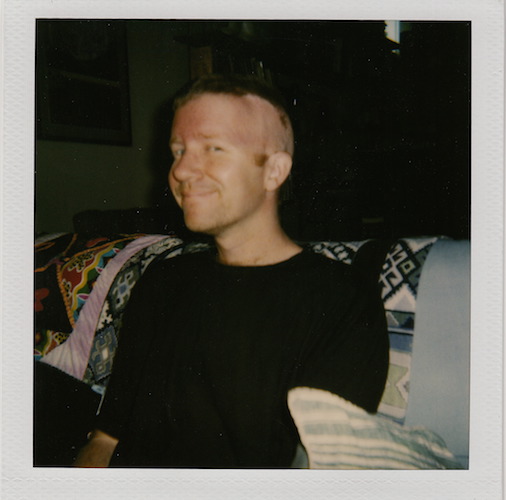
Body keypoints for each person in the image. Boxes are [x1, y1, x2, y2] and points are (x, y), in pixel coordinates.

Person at [74, 74, 389, 468]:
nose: (182, 170)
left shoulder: (344, 303)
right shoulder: (163, 279)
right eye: (178, 151)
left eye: (214, 148)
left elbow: (321, 469)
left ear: (274, 171)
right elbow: (107, 436)